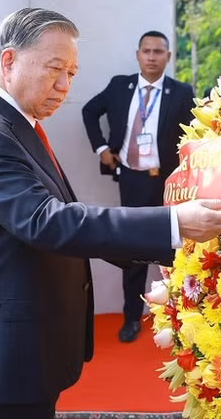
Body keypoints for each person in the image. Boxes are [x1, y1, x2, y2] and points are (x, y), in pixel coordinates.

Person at [0, 8, 221, 419]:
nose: (64, 86)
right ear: (9, 61)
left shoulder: (16, 125)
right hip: (2, 354)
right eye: (55, 69)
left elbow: (64, 220)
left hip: (27, 348)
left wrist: (178, 250)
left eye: (71, 73)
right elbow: (50, 222)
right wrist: (173, 223)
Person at [82, 31, 194, 343]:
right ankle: (132, 316)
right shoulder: (120, 86)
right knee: (132, 248)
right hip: (131, 178)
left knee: (174, 248)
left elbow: (193, 134)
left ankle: (180, 318)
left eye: (158, 52)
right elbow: (89, 111)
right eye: (146, 51)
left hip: (168, 182)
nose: (152, 57)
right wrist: (102, 149)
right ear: (138, 54)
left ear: (168, 57)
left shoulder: (181, 92)